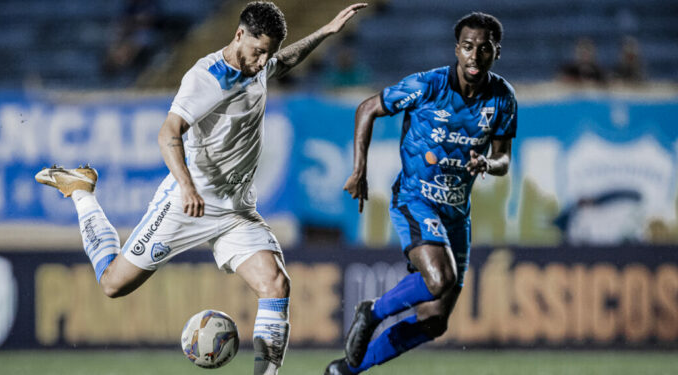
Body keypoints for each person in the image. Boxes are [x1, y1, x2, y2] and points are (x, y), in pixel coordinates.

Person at [35, 2, 366, 374]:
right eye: (258, 52)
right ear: (239, 34)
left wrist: (324, 32)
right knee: (113, 284)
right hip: (188, 202)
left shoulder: (258, 63)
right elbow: (168, 133)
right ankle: (81, 191)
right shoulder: (206, 77)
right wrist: (187, 187)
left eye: (267, 53)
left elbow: (283, 62)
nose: (262, 62)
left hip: (236, 210)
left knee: (275, 284)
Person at [326, 12, 517, 374]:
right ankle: (372, 311)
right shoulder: (428, 86)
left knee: (434, 320)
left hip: (457, 214)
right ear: (456, 49)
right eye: (467, 47)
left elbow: (504, 157)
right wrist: (359, 170)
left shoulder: (503, 97)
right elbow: (367, 108)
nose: (474, 56)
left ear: (497, 52)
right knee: (439, 279)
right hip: (416, 199)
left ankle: (343, 372)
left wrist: (488, 165)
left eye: (484, 48)